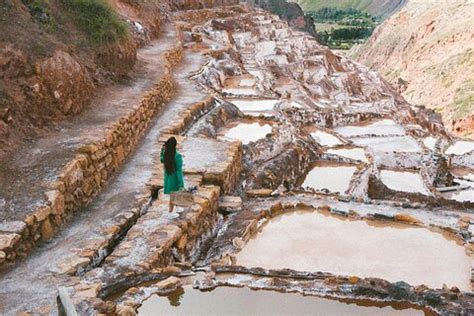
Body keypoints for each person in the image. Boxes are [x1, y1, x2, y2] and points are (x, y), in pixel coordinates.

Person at [160, 137, 184, 212]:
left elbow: (161, 160)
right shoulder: (177, 156)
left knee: (173, 194)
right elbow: (179, 171)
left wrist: (162, 150)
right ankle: (170, 212)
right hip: (174, 178)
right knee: (173, 195)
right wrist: (181, 183)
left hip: (167, 177)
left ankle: (177, 207)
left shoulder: (165, 154)